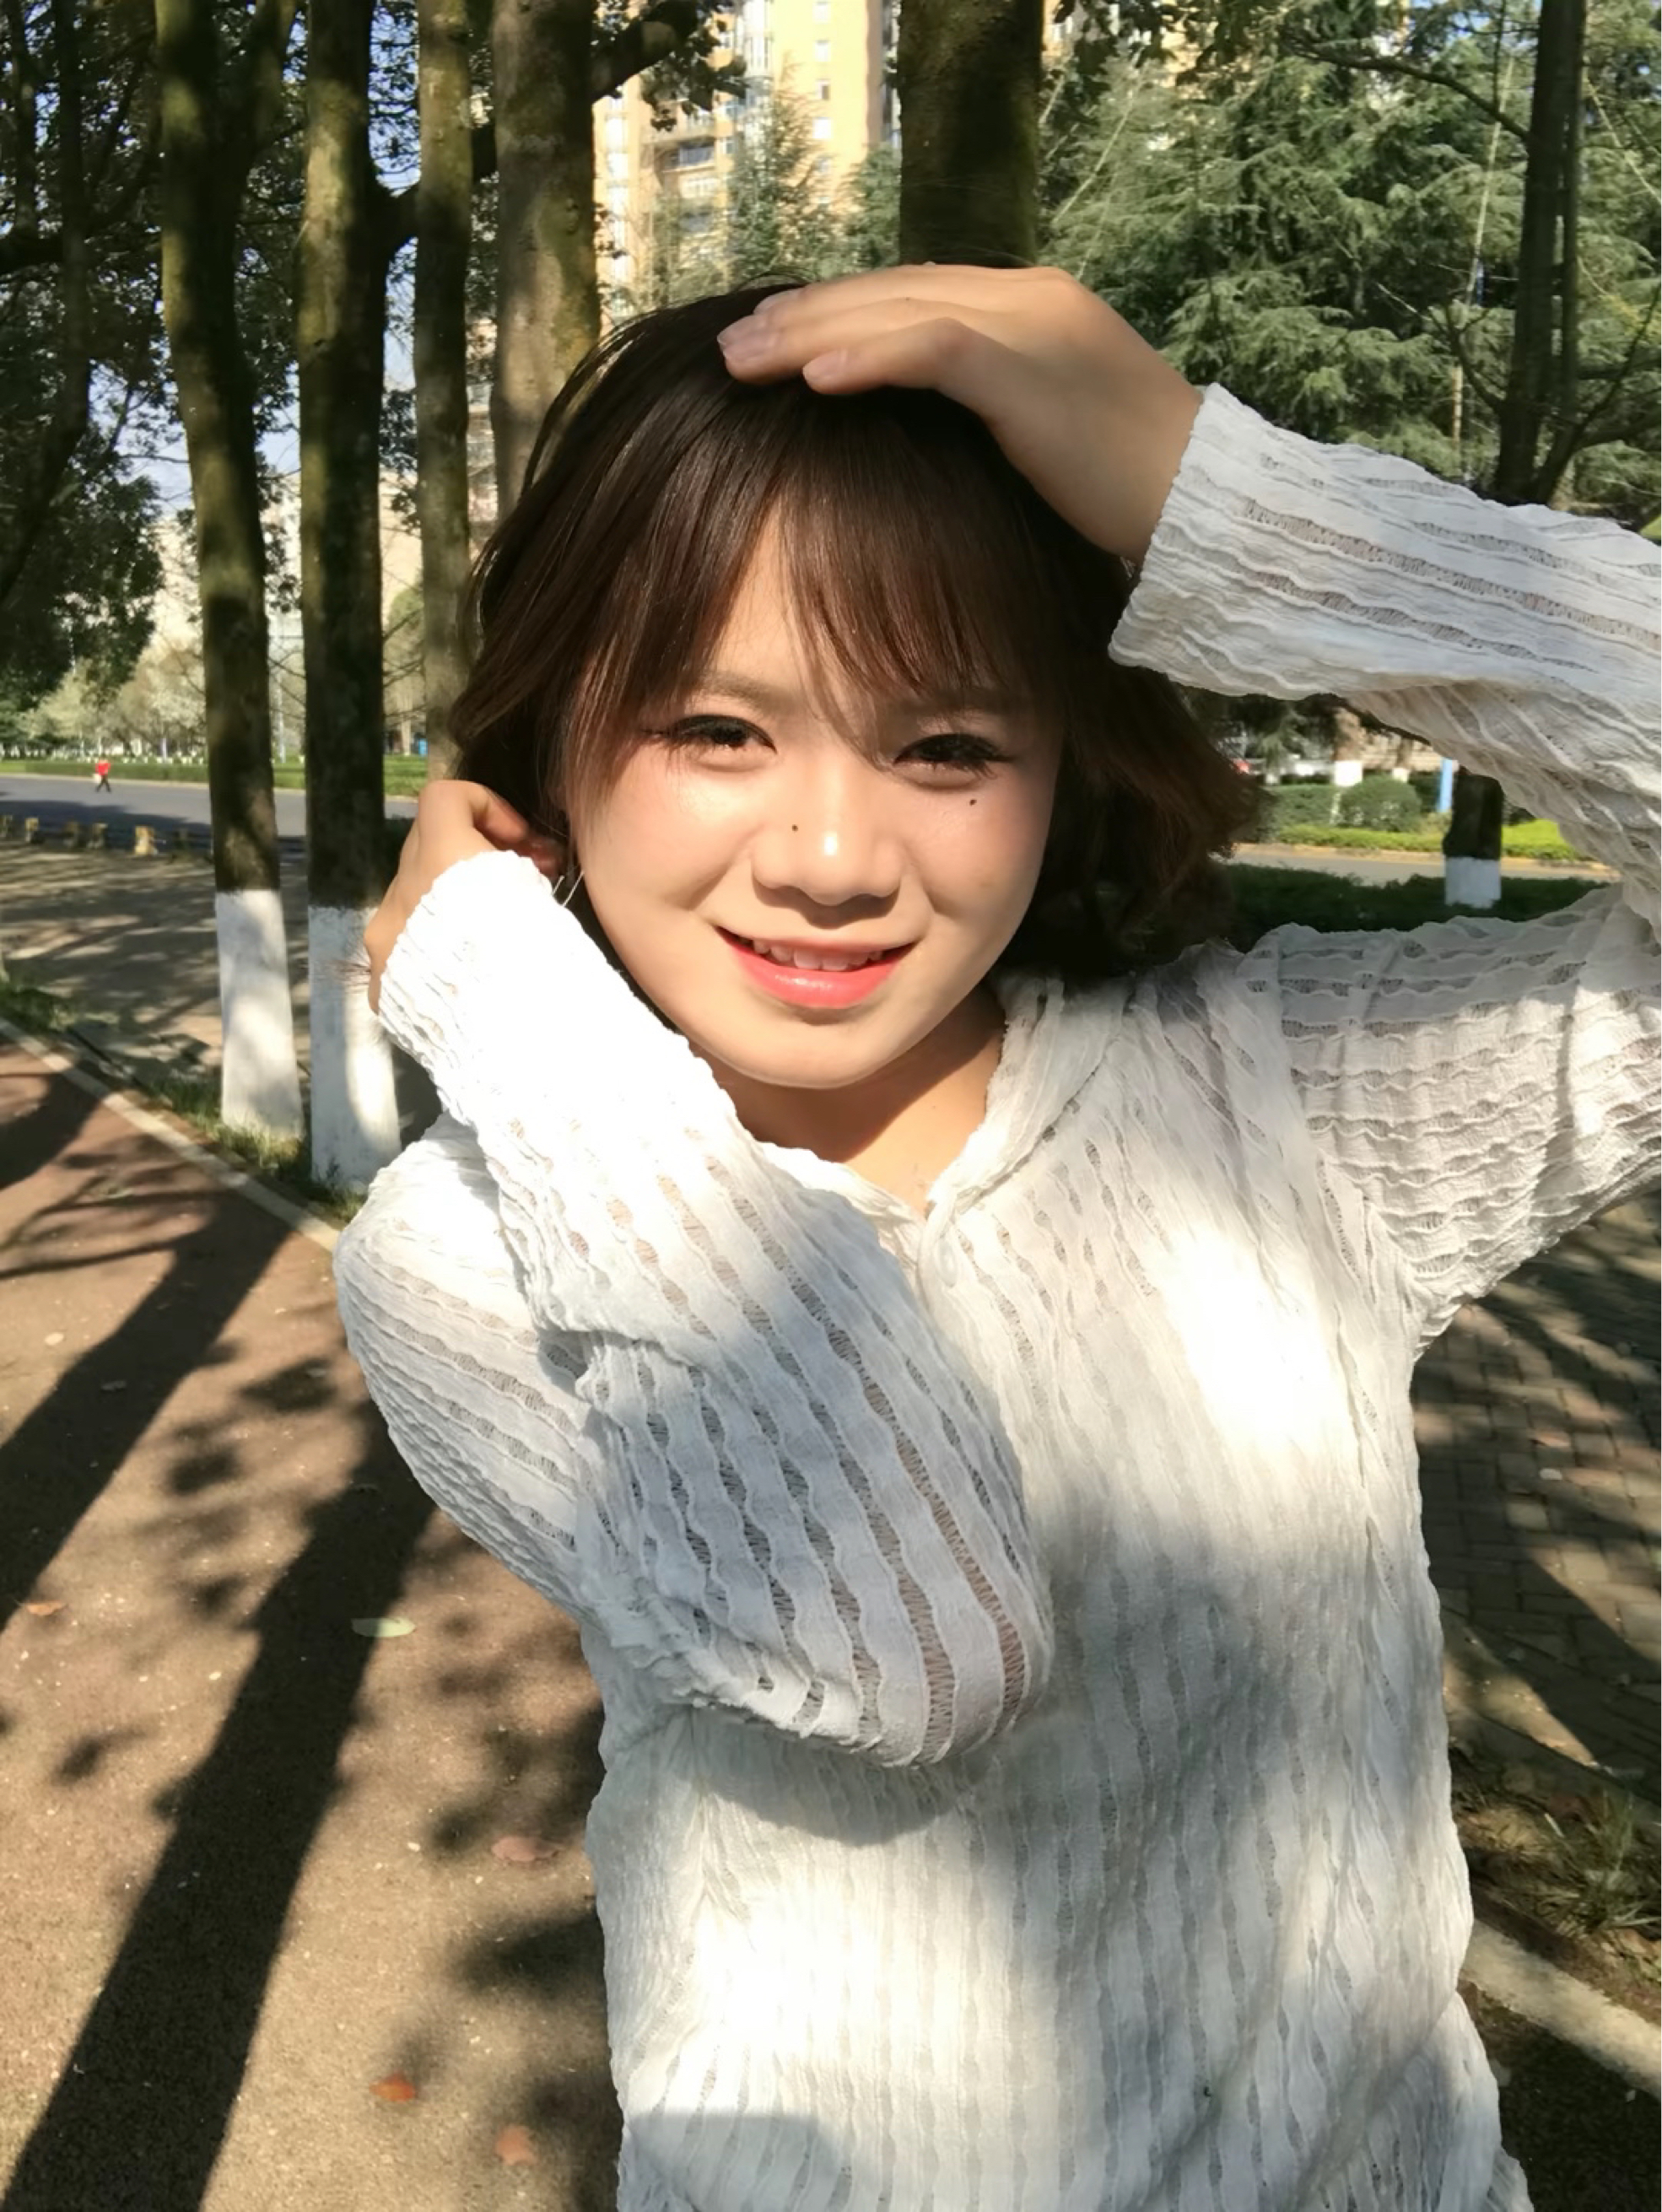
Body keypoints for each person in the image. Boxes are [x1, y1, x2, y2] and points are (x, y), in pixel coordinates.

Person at [334, 267, 1659, 2211]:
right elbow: (906, 1642)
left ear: (1059, 758)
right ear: (559, 740)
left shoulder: (1277, 1096)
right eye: (715, 728)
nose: (831, 858)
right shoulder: (466, 1249)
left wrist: (1218, 497)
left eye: (944, 745)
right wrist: (502, 996)